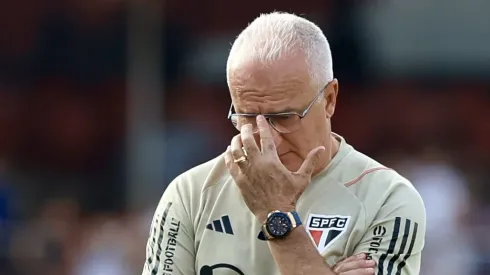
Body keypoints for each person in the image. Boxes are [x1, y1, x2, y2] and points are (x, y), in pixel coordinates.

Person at [142, 12, 426, 275]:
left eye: (285, 117)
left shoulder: (387, 199)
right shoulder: (191, 194)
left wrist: (276, 214)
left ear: (329, 99)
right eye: (249, 117)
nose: (269, 140)